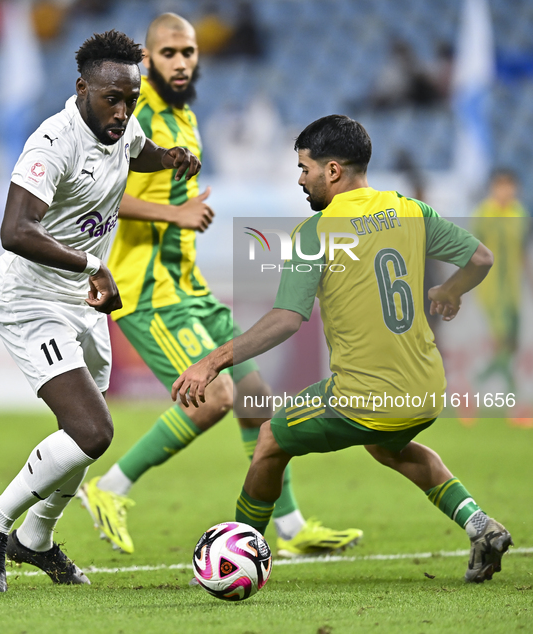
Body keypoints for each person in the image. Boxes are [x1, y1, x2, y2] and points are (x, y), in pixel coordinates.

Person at [172, 115, 514, 583]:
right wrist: (451, 291)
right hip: (427, 390)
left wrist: (211, 361)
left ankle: (236, 554)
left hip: (364, 396)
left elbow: (286, 320)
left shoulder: (316, 233)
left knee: (271, 438)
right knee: (390, 447)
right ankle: (479, 525)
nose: (299, 178)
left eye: (304, 168)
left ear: (332, 171)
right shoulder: (409, 209)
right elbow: (481, 258)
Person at [78, 13, 361, 559]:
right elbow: (99, 191)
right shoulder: (132, 115)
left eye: (188, 52)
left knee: (257, 400)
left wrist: (181, 217)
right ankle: (107, 489)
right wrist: (174, 214)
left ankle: (291, 526)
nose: (181, 62)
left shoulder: (185, 118)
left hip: (190, 286)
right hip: (149, 292)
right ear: (148, 61)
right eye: (168, 54)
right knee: (213, 399)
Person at [0, 29, 201, 593]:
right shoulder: (53, 143)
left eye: (131, 101)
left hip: (81, 302)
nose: (122, 113)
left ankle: (37, 539)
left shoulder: (120, 121)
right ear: (82, 88)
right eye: (111, 100)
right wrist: (92, 264)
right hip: (31, 300)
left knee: (84, 435)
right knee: (92, 430)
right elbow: (14, 231)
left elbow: (134, 147)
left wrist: (168, 158)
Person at [472, 169, 530, 394]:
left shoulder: (520, 213)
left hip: (514, 290)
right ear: (492, 188)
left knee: (513, 344)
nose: (505, 191)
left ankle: (482, 375)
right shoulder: (483, 214)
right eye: (500, 186)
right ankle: (511, 391)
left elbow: (523, 251)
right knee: (503, 337)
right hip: (491, 288)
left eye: (509, 186)